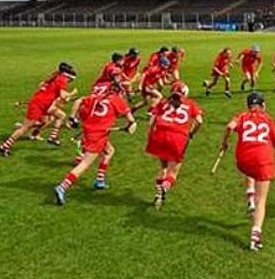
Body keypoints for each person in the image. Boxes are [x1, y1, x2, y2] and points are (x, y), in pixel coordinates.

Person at [54, 81, 136, 204]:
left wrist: (72, 118)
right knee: (85, 163)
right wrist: (130, 126)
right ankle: (62, 186)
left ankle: (100, 180)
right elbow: (131, 120)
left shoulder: (99, 97)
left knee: (109, 151)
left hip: (90, 129)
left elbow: (79, 101)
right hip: (97, 135)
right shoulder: (118, 100)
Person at [219, 92, 275, 251]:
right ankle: (256, 234)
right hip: (263, 161)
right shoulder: (268, 118)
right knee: (262, 200)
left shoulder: (241, 116)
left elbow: (229, 127)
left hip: (244, 160)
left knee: (249, 169)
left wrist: (225, 143)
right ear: (263, 105)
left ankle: (249, 194)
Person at [0, 62, 78, 156]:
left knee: (61, 115)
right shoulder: (61, 80)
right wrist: (72, 93)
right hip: (38, 105)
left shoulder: (55, 77)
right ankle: (4, 146)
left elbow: (42, 86)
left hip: (44, 104)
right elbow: (63, 96)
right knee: (25, 128)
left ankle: (52, 137)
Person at [147, 81, 204, 210]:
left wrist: (151, 135)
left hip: (159, 135)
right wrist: (191, 133)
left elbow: (151, 121)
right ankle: (163, 188)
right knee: (173, 172)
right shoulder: (190, 104)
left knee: (163, 167)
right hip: (177, 137)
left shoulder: (164, 103)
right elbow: (199, 121)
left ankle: (158, 193)